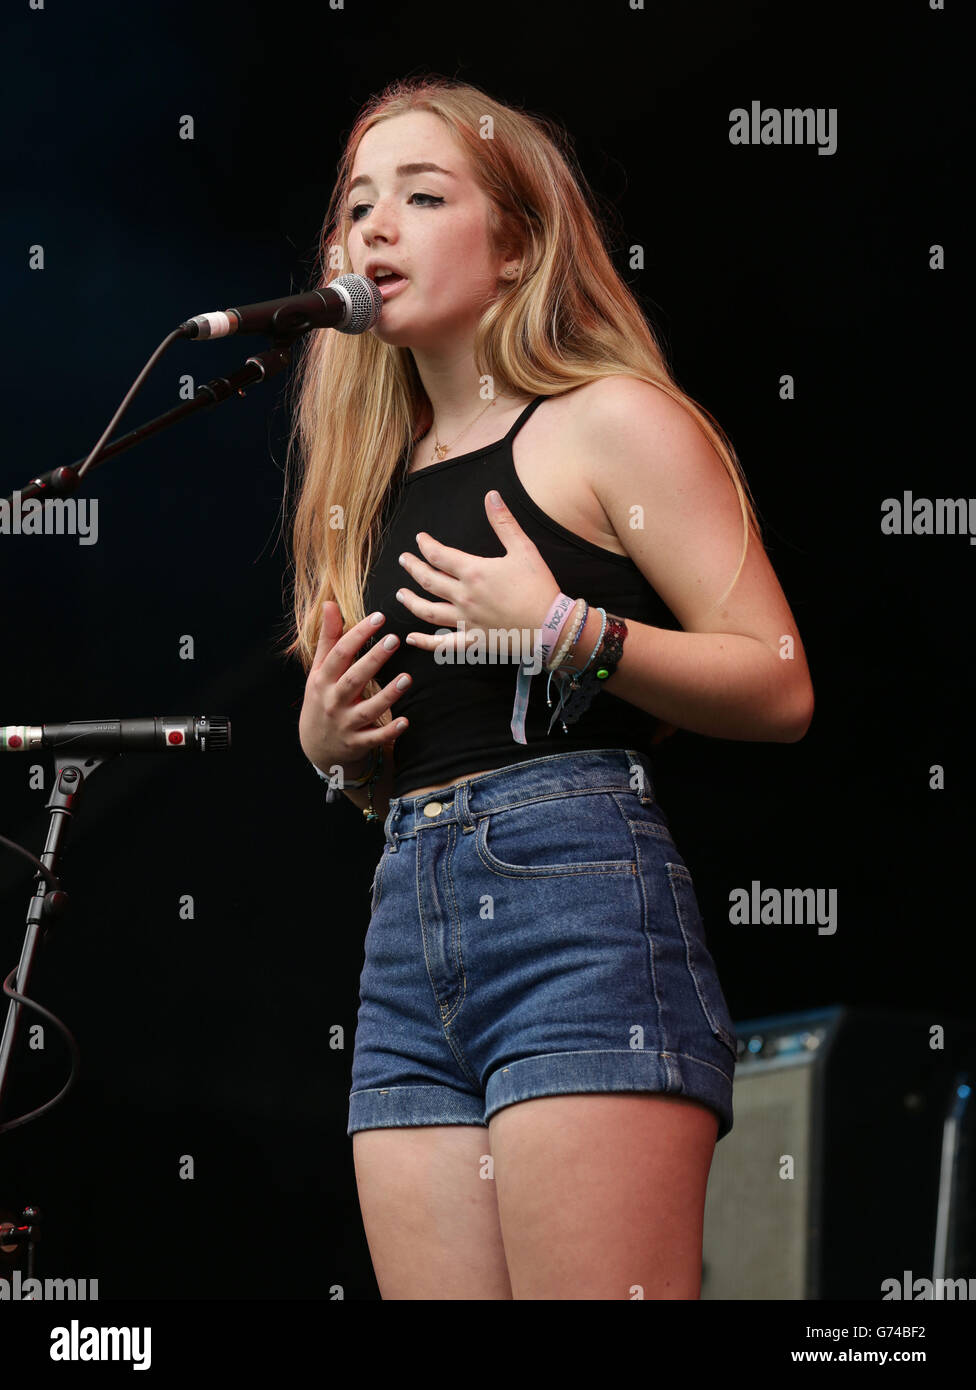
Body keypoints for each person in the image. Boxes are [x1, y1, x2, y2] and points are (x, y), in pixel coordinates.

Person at [283, 75, 814, 1300]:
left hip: (576, 901)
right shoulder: (365, 481)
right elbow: (389, 751)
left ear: (517, 243)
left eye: (421, 196)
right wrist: (330, 744)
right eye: (356, 205)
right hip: (405, 924)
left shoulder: (607, 423)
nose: (373, 229)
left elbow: (779, 686)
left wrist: (569, 629)